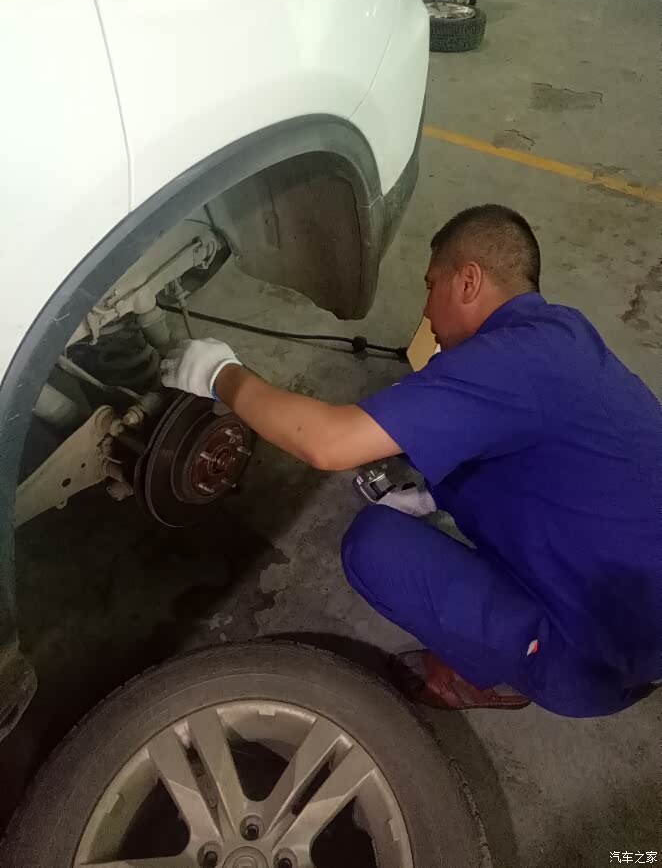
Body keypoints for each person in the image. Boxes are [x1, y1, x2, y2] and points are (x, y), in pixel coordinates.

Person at [161, 204, 662, 717]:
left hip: (597, 663)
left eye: (430, 285)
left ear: (468, 281)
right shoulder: (563, 334)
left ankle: (484, 675)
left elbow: (326, 443)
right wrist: (435, 495)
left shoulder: (510, 362)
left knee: (375, 545)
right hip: (642, 620)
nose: (425, 310)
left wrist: (219, 374)